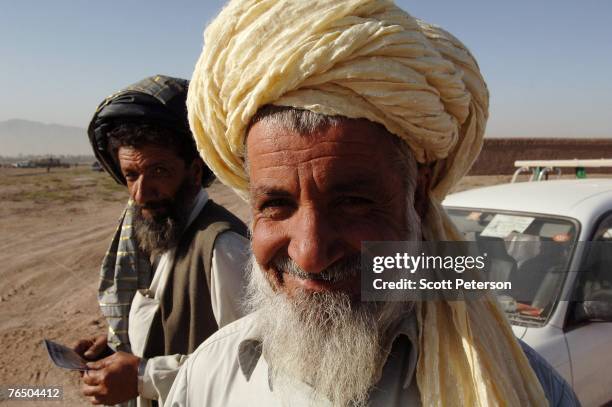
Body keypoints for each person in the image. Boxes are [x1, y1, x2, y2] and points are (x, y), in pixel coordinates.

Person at [166, 2, 579, 406]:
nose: (309, 254)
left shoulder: (528, 392)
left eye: (352, 202)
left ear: (417, 194)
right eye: (276, 204)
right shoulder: (207, 380)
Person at [75, 75, 249, 406]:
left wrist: (141, 377)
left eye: (158, 172)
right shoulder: (167, 234)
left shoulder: (224, 249)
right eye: (131, 176)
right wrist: (113, 356)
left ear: (195, 172)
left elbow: (249, 368)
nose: (141, 193)